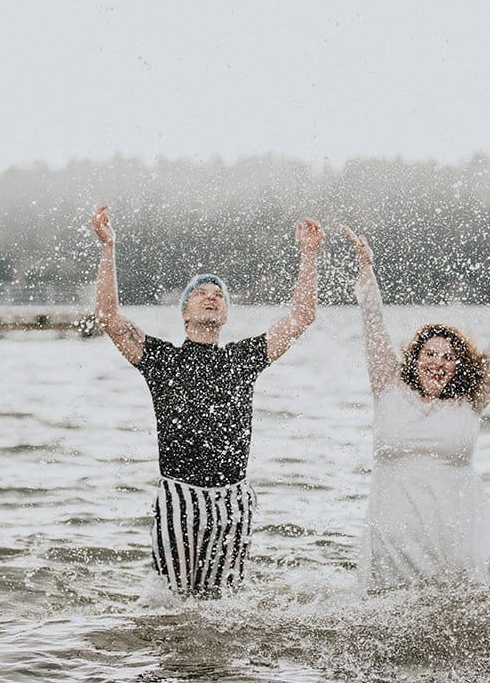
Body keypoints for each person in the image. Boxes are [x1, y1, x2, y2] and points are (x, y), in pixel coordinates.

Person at [90, 205, 323, 597]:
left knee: (222, 610)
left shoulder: (242, 359)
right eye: (201, 293)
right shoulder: (162, 359)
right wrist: (108, 247)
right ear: (185, 312)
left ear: (227, 314)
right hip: (178, 497)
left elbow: (301, 317)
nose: (211, 298)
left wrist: (309, 255)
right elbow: (108, 318)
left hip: (233, 499)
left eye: (218, 295)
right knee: (173, 604)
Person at [342, 226, 490, 591]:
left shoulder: (470, 400)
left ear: (459, 365)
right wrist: (366, 267)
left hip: (455, 532)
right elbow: (373, 323)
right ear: (415, 359)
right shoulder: (389, 389)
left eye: (448, 356)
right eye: (430, 354)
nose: (437, 362)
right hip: (394, 533)